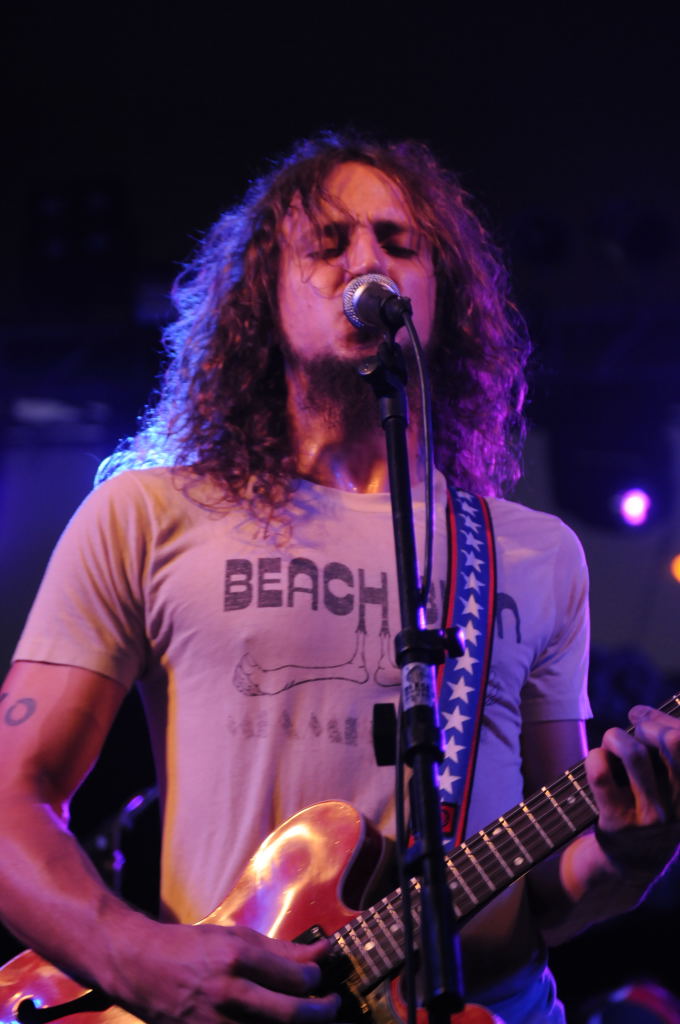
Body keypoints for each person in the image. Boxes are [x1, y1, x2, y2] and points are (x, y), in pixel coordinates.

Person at [0, 132, 679, 1024]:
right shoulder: (147, 513)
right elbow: (11, 799)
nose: (367, 261)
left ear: (441, 297)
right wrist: (132, 958)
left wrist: (629, 854)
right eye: (327, 243)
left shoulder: (534, 552)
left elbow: (549, 887)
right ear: (263, 293)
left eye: (399, 244)